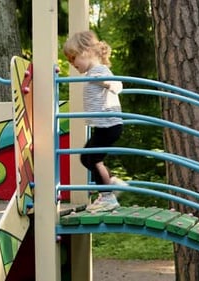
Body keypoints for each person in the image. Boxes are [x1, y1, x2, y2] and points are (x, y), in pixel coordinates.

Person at [63, 31, 127, 212]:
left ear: (85, 51)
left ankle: (108, 197)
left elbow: (118, 85)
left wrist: (107, 83)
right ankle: (111, 182)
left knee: (94, 158)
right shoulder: (92, 72)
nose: (73, 64)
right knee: (86, 158)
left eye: (73, 58)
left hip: (109, 125)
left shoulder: (99, 71)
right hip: (103, 126)